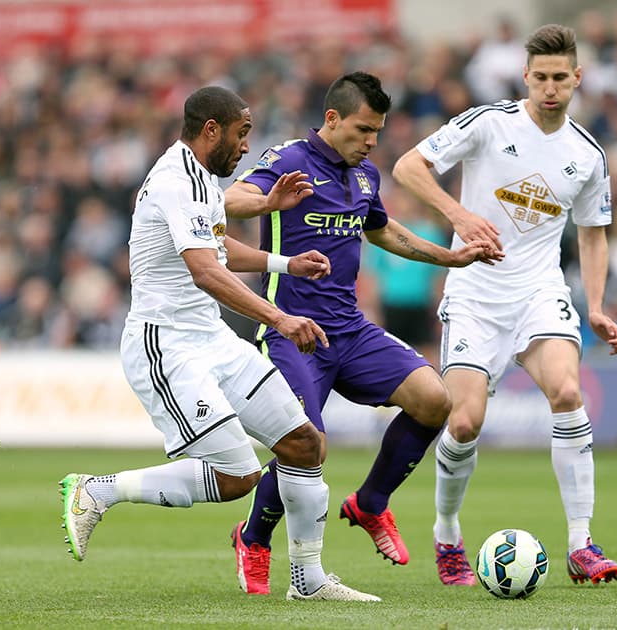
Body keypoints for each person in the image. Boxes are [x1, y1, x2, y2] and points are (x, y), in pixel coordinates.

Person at [58, 86, 380, 602]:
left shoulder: (202, 177)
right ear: (212, 129)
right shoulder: (176, 180)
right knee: (238, 477)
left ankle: (309, 580)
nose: (247, 147)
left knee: (303, 443)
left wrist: (285, 263)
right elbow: (205, 270)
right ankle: (98, 491)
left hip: (210, 337)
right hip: (167, 346)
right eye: (242, 133)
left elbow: (216, 245)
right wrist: (280, 318)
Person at [223, 71, 503, 595]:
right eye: (362, 130)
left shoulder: (366, 174)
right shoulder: (289, 161)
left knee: (433, 401)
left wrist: (450, 257)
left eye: (377, 131)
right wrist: (268, 202)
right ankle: (254, 538)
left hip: (349, 330)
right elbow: (229, 201)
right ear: (332, 120)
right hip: (293, 331)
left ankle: (371, 503)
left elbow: (383, 230)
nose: (371, 141)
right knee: (306, 447)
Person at [393, 24, 617, 587]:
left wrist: (595, 304)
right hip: (474, 295)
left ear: (578, 78)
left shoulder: (588, 155)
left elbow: (594, 234)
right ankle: (447, 531)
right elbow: (407, 168)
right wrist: (459, 216)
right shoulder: (489, 123)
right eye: (540, 77)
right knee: (466, 421)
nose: (550, 88)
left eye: (560, 78)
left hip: (539, 293)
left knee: (568, 393)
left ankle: (582, 543)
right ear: (526, 76)